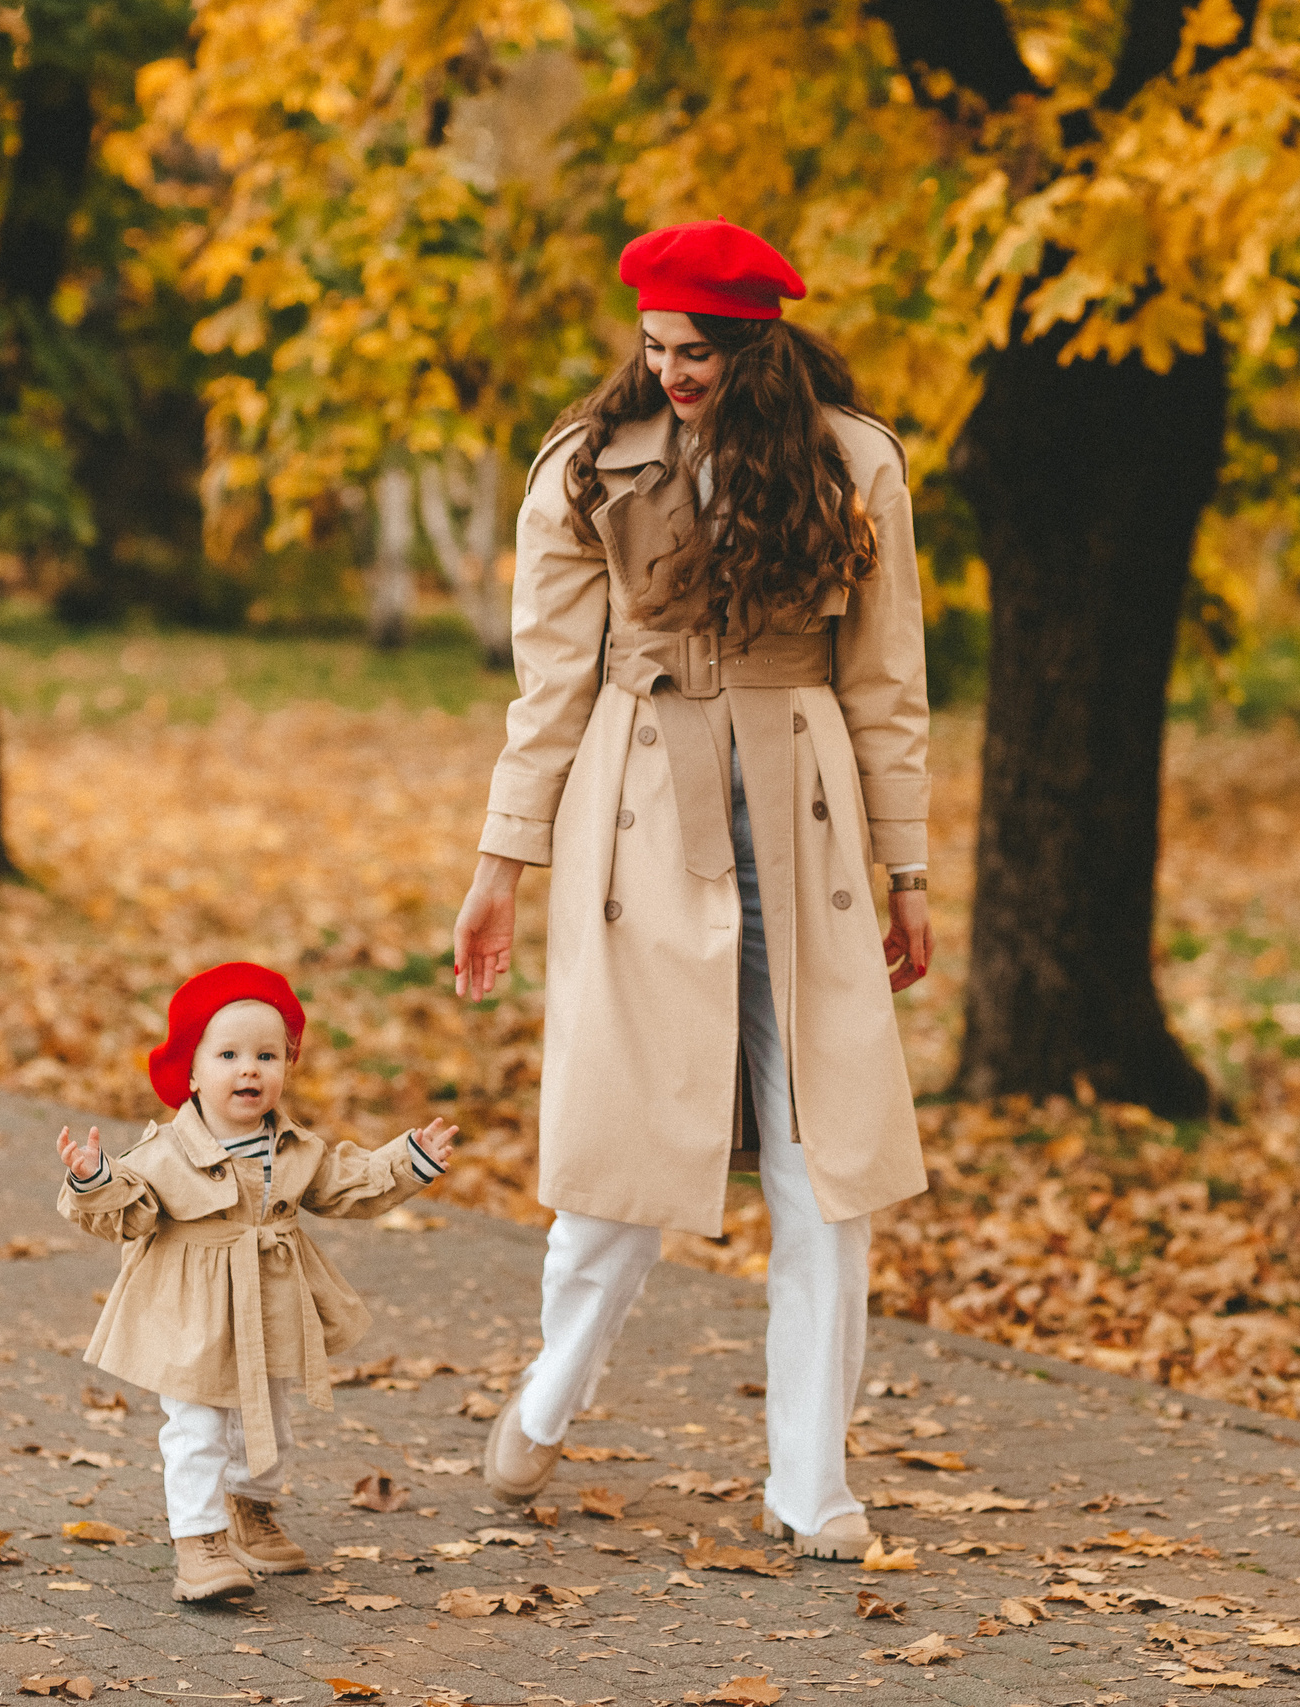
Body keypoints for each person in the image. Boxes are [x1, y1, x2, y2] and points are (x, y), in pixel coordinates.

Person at [451, 219, 932, 1562]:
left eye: (699, 351)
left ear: (758, 344)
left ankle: (809, 1478)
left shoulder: (856, 464)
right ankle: (555, 1381)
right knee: (624, 1142)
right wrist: (500, 868)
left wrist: (910, 868)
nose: (671, 370)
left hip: (808, 815)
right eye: (655, 345)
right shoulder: (585, 469)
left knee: (820, 1158)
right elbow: (546, 689)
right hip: (639, 810)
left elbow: (888, 684)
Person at [56, 961, 459, 1603]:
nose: (250, 1069)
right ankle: (200, 1539)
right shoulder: (163, 1153)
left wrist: (406, 1161)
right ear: (191, 1072)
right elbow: (125, 1212)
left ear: (286, 1068)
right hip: (193, 1309)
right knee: (198, 1424)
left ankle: (251, 1507)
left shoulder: (295, 1148)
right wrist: (93, 1178)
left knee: (268, 1418)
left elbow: (344, 1185)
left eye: (267, 1055)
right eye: (229, 1054)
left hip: (270, 1298)